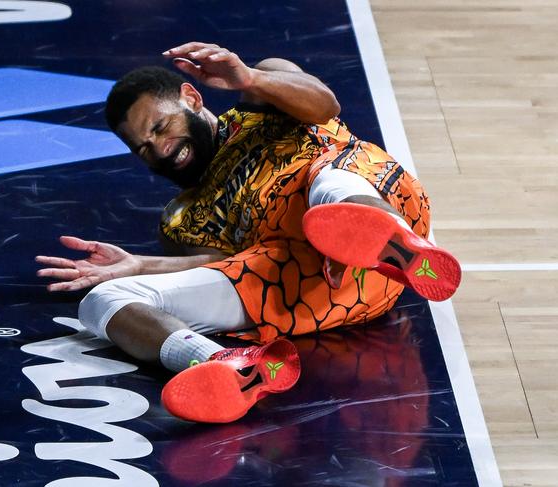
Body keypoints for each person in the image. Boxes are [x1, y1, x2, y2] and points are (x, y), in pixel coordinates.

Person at [36, 42, 461, 423]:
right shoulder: (181, 217)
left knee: (326, 179)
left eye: (161, 128)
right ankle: (225, 364)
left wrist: (250, 76)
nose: (161, 150)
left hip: (371, 211)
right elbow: (223, 265)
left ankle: (385, 237)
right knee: (102, 302)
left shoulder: (262, 98)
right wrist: (138, 266)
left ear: (191, 97)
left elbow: (324, 106)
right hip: (311, 287)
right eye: (144, 148)